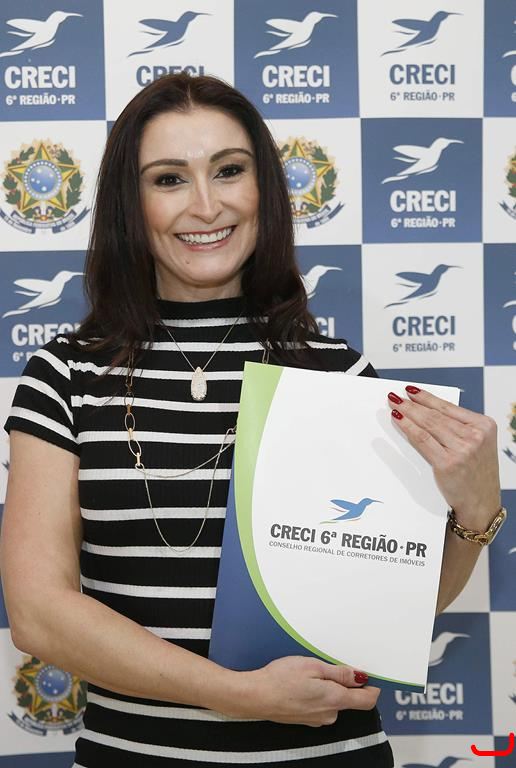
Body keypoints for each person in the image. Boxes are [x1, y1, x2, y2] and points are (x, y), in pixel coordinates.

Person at [0, 73, 502, 767]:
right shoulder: (66, 376)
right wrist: (237, 695)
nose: (206, 205)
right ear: (129, 204)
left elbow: (392, 609)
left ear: (264, 185)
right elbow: (38, 614)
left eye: (229, 171)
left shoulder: (338, 375)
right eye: (169, 179)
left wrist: (476, 512)